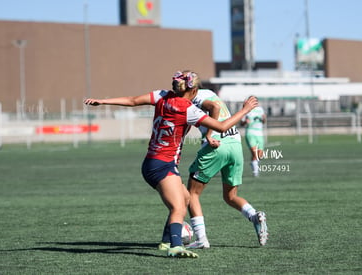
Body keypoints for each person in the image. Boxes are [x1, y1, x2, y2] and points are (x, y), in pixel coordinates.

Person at [84, 70, 258, 258]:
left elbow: (133, 100)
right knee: (178, 208)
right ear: (194, 90)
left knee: (185, 198)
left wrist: (103, 102)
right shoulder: (188, 109)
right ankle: (175, 246)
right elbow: (222, 127)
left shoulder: (161, 96)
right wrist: (245, 110)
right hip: (162, 165)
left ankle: (166, 241)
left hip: (154, 162)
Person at [182, 89, 268, 249]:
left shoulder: (193, 99)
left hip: (216, 145)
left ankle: (201, 240)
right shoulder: (208, 92)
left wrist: (208, 134)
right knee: (230, 196)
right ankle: (255, 216)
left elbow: (214, 107)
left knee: (192, 194)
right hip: (235, 144)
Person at [241, 97, 266, 177]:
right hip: (250, 133)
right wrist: (245, 122)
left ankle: (253, 163)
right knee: (255, 153)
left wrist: (264, 119)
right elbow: (241, 123)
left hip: (259, 134)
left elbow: (264, 121)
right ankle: (255, 172)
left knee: (260, 155)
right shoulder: (246, 110)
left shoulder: (260, 109)